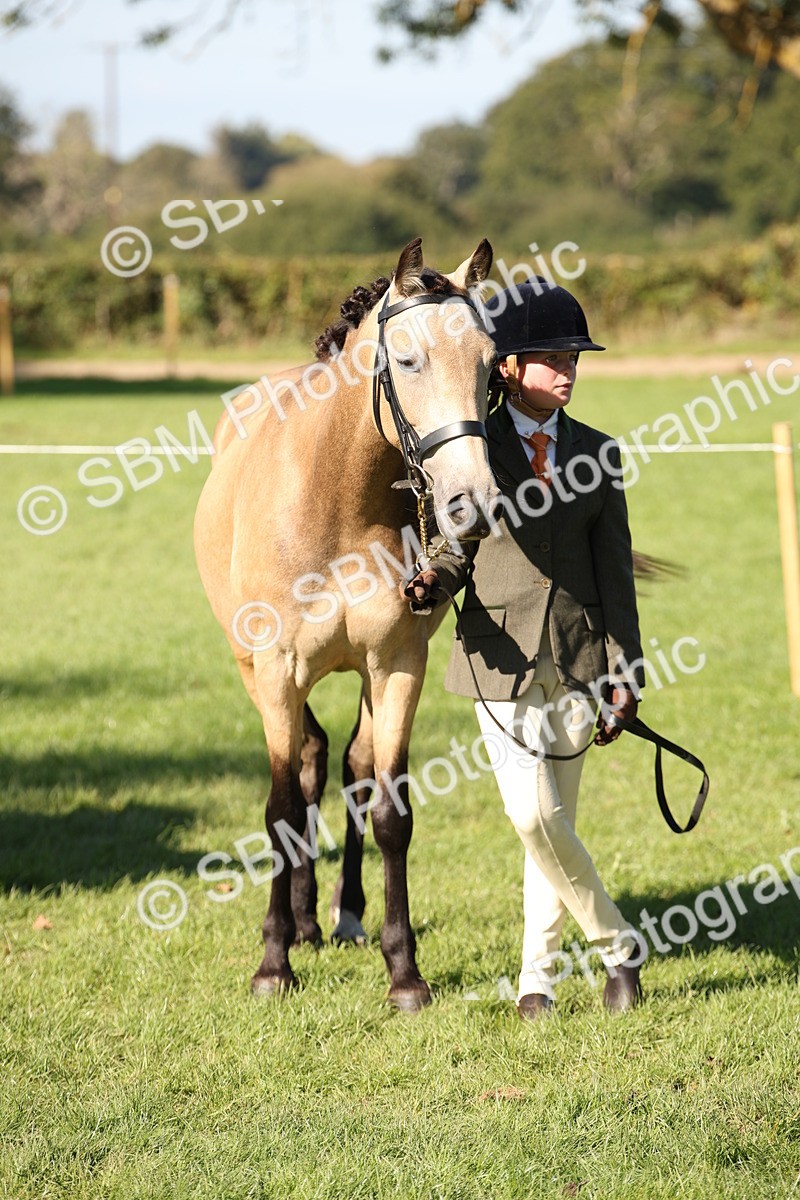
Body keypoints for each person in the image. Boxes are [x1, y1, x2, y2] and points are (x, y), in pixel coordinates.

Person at [402, 278, 645, 1020]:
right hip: (497, 657)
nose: (568, 372)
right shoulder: (471, 450)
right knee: (533, 818)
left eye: (575, 360)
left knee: (554, 827)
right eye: (553, 360)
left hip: (579, 659)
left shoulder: (599, 452)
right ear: (507, 368)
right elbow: (454, 548)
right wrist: (432, 581)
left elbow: (615, 575)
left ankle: (534, 983)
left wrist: (625, 673)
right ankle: (620, 946)